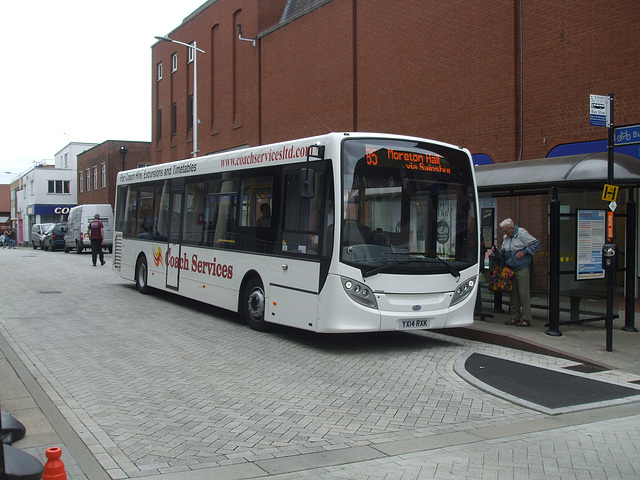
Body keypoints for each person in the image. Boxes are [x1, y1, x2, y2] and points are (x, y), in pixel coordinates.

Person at [492, 218, 540, 327]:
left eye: (505, 231)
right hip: (511, 269)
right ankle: (514, 317)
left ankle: (526, 318)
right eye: (503, 231)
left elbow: (536, 244)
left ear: (512, 228)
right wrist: (497, 251)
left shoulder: (522, 233)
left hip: (522, 267)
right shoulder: (506, 237)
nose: (504, 233)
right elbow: (503, 254)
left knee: (523, 294)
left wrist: (524, 252)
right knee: (513, 295)